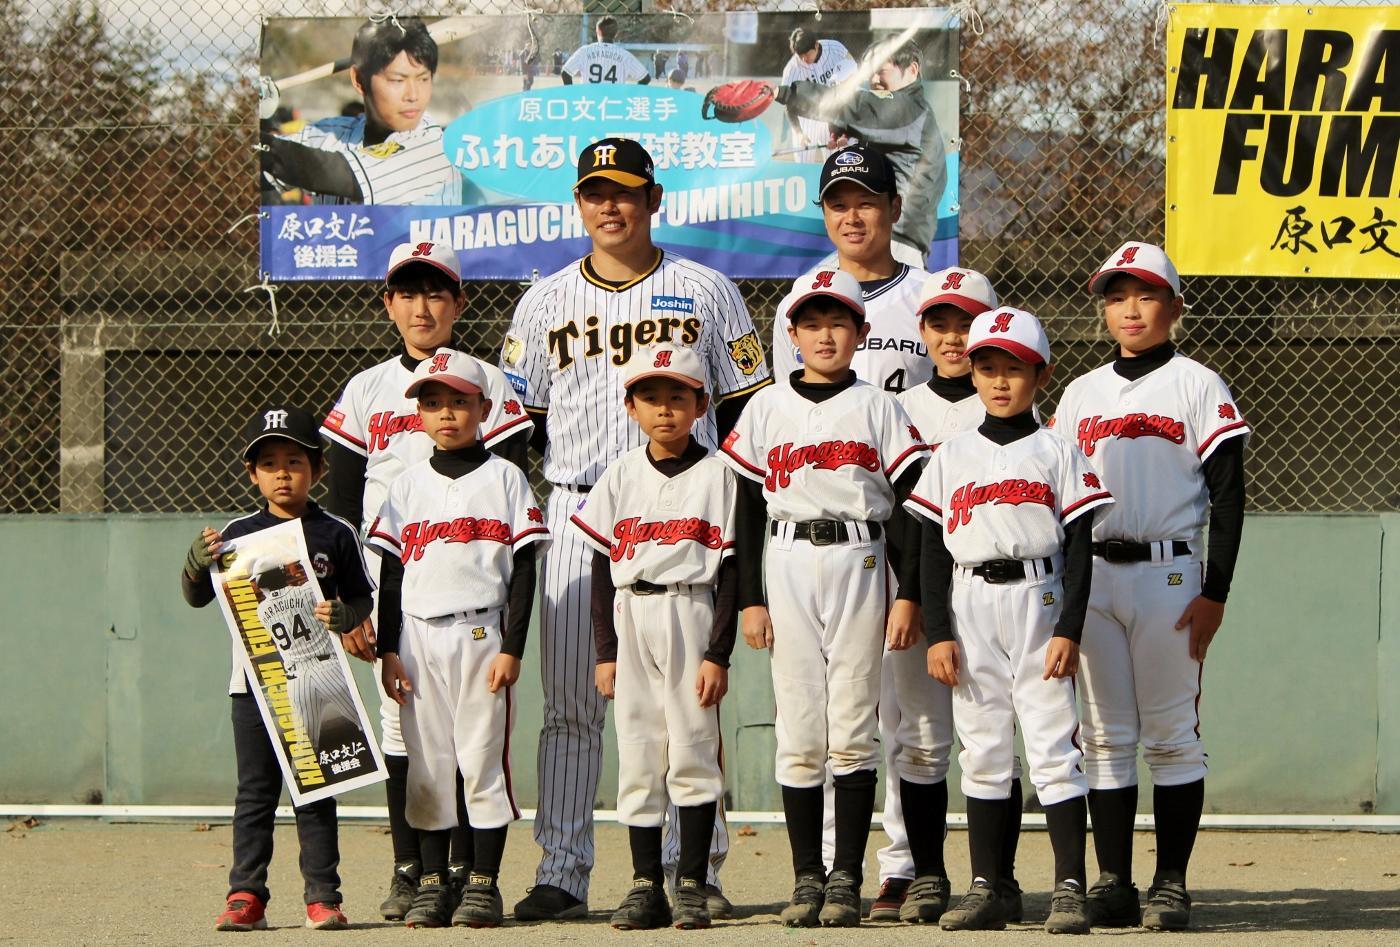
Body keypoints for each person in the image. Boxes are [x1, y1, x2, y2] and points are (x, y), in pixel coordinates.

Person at [502, 137, 772, 921]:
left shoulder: (709, 290)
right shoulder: (543, 302)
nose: (609, 205)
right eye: (594, 192)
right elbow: (523, 425)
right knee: (572, 705)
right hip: (580, 506)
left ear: (655, 200)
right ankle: (563, 866)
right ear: (578, 204)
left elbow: (751, 412)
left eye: (624, 191)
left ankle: (696, 869)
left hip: (689, 510)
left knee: (690, 706)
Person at [320, 240, 532, 922]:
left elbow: (506, 481)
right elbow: (347, 502)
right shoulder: (367, 388)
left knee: (469, 738)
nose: (421, 305)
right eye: (407, 292)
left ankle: (473, 870)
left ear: (459, 302)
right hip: (394, 579)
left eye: (436, 291)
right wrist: (356, 601)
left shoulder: (488, 381)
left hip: (470, 581)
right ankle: (412, 869)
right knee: (405, 730)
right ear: (388, 303)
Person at [1051, 242, 1250, 931]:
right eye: (1116, 295)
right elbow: (1060, 496)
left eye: (1145, 294)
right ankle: (1112, 881)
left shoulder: (1198, 383)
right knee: (1104, 733)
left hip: (1170, 571)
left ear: (1175, 306)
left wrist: (1214, 590)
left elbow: (1230, 495)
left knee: (1170, 734)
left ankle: (1171, 883)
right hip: (1096, 571)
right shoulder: (1080, 393)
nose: (1129, 308)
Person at [721, 269, 928, 928]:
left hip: (860, 555)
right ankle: (807, 875)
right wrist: (750, 596)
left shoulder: (878, 406)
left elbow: (909, 510)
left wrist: (910, 592)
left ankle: (845, 876)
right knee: (801, 728)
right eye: (812, 322)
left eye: (838, 321)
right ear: (793, 333)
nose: (826, 334)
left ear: (861, 332)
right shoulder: (766, 407)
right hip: (785, 559)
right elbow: (748, 506)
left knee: (852, 726)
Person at [905, 307, 1113, 934]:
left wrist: (1070, 628)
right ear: (971, 374)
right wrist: (938, 632)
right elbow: (933, 551)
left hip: (1039, 598)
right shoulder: (951, 454)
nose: (999, 381)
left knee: (1052, 744)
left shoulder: (1057, 448)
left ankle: (1070, 886)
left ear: (1040, 376)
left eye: (1013, 369)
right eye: (987, 367)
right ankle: (989, 886)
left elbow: (1079, 546)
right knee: (984, 746)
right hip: (970, 604)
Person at [369, 351, 548, 928]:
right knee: (428, 764)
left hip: (479, 631)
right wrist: (388, 647)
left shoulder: (505, 478)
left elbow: (524, 571)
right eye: (432, 402)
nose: (446, 413)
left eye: (459, 402)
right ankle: (430, 881)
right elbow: (393, 575)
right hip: (418, 637)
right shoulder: (406, 484)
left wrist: (512, 646)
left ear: (484, 408)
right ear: (418, 412)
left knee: (480, 760)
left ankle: (482, 882)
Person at [181, 406, 375, 933]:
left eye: (295, 460)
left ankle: (323, 897)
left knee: (316, 789)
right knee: (256, 793)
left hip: (317, 679)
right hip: (253, 681)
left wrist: (347, 614)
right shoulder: (237, 535)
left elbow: (359, 595)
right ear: (252, 473)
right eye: (269, 463)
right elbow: (197, 595)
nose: (282, 472)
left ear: (318, 468)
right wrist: (196, 563)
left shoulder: (335, 531)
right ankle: (246, 895)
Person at [571, 343, 739, 931]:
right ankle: (645, 883)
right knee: (640, 751)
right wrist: (604, 651)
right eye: (650, 397)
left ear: (701, 403)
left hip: (692, 611)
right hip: (629, 610)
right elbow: (598, 565)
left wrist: (718, 653)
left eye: (677, 396)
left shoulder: (720, 475)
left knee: (692, 746)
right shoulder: (618, 476)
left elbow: (733, 568)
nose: (664, 408)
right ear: (629, 406)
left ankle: (691, 879)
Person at [772, 144, 931, 396]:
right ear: (824, 215)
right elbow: (788, 402)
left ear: (895, 208)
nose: (852, 218)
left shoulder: (929, 296)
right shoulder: (794, 306)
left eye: (866, 204)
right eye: (839, 206)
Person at [260, 16, 466, 205]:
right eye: (398, 80)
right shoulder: (332, 133)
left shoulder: (433, 146)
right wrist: (253, 109)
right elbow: (261, 166)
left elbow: (329, 173)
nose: (413, 95)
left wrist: (258, 143)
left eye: (423, 79)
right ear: (359, 80)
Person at [774, 40, 947, 265]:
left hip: (896, 242)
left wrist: (783, 92)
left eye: (882, 71)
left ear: (912, 71)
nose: (874, 80)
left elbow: (854, 105)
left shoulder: (910, 108)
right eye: (871, 73)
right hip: (888, 238)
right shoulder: (901, 117)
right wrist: (846, 131)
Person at [780, 27, 857, 162]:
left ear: (816, 44)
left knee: (834, 165)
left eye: (806, 54)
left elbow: (854, 74)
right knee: (803, 167)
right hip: (806, 120)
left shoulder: (835, 49)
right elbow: (788, 106)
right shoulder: (792, 69)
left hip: (833, 116)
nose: (803, 59)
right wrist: (799, 133)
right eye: (800, 55)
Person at [561, 15, 650, 86]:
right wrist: (629, 96)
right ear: (616, 33)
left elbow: (565, 73)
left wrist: (571, 95)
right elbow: (645, 78)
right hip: (614, 104)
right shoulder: (625, 55)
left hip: (589, 104)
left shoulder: (584, 51)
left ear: (598, 31)